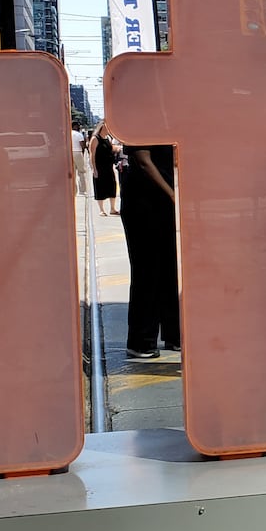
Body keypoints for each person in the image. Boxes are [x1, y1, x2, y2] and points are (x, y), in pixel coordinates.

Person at [119, 143, 180, 359]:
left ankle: (174, 335)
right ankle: (140, 341)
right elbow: (144, 161)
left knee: (167, 269)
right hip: (143, 202)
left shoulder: (161, 120)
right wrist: (172, 195)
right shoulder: (141, 120)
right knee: (147, 270)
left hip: (161, 202)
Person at [89, 120, 119, 216]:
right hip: (99, 167)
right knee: (100, 187)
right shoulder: (95, 139)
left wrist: (118, 148)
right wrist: (94, 168)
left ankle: (112, 208)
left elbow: (111, 148)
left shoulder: (108, 138)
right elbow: (92, 154)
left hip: (109, 167)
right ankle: (101, 210)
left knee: (112, 186)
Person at [71, 120, 90, 196]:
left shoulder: (67, 133)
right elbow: (82, 145)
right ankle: (82, 190)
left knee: (72, 173)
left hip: (70, 153)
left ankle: (73, 190)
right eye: (78, 125)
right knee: (81, 172)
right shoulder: (79, 134)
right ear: (75, 126)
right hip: (78, 152)